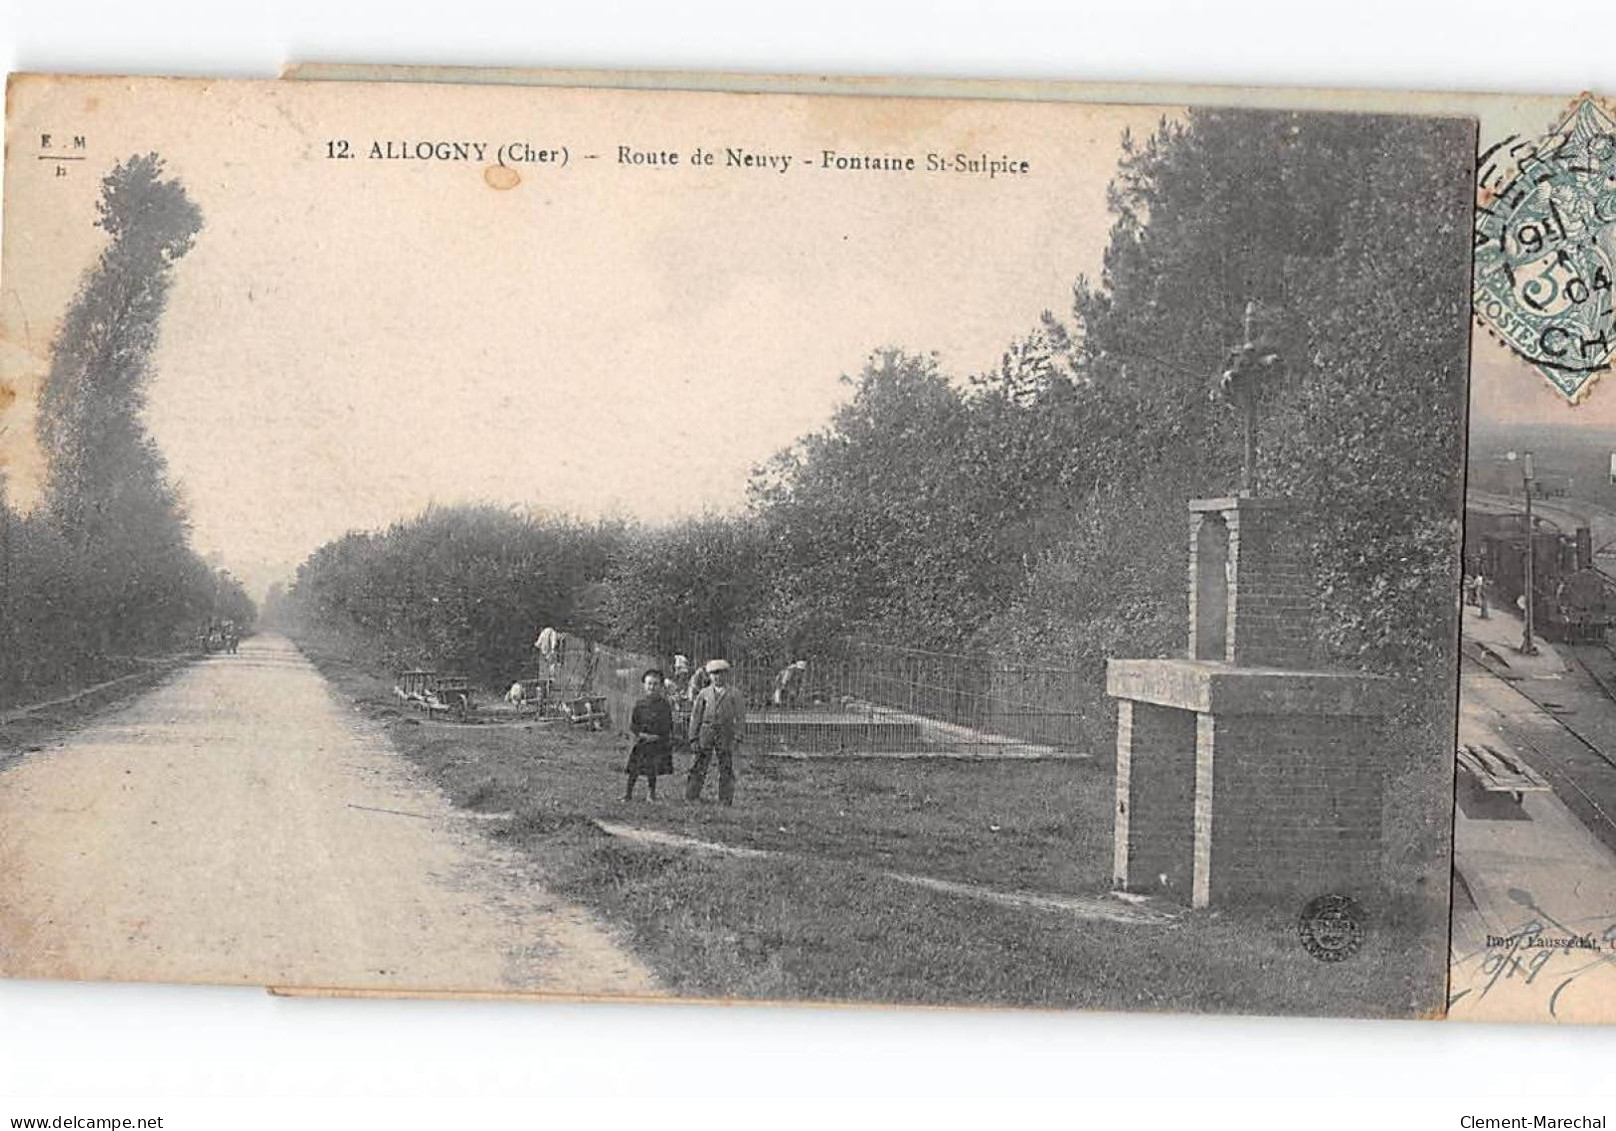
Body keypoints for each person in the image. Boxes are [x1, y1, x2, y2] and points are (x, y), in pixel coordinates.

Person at [686, 659, 745, 805]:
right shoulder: (704, 694)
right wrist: (693, 737)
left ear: (727, 675)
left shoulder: (734, 694)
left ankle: (725, 799)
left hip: (726, 734)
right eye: (714, 674)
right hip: (706, 733)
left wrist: (738, 736)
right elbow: (696, 716)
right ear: (709, 676)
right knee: (699, 765)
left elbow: (740, 717)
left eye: (722, 674)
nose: (718, 677)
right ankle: (692, 796)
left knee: (726, 766)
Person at [625, 669, 675, 801]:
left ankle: (651, 794)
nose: (652, 687)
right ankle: (628, 794)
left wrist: (658, 736)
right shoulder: (640, 704)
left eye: (655, 684)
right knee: (634, 769)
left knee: (652, 769)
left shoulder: (664, 705)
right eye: (649, 684)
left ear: (660, 686)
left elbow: (668, 725)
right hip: (642, 741)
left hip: (657, 742)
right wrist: (640, 734)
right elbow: (634, 724)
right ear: (644, 685)